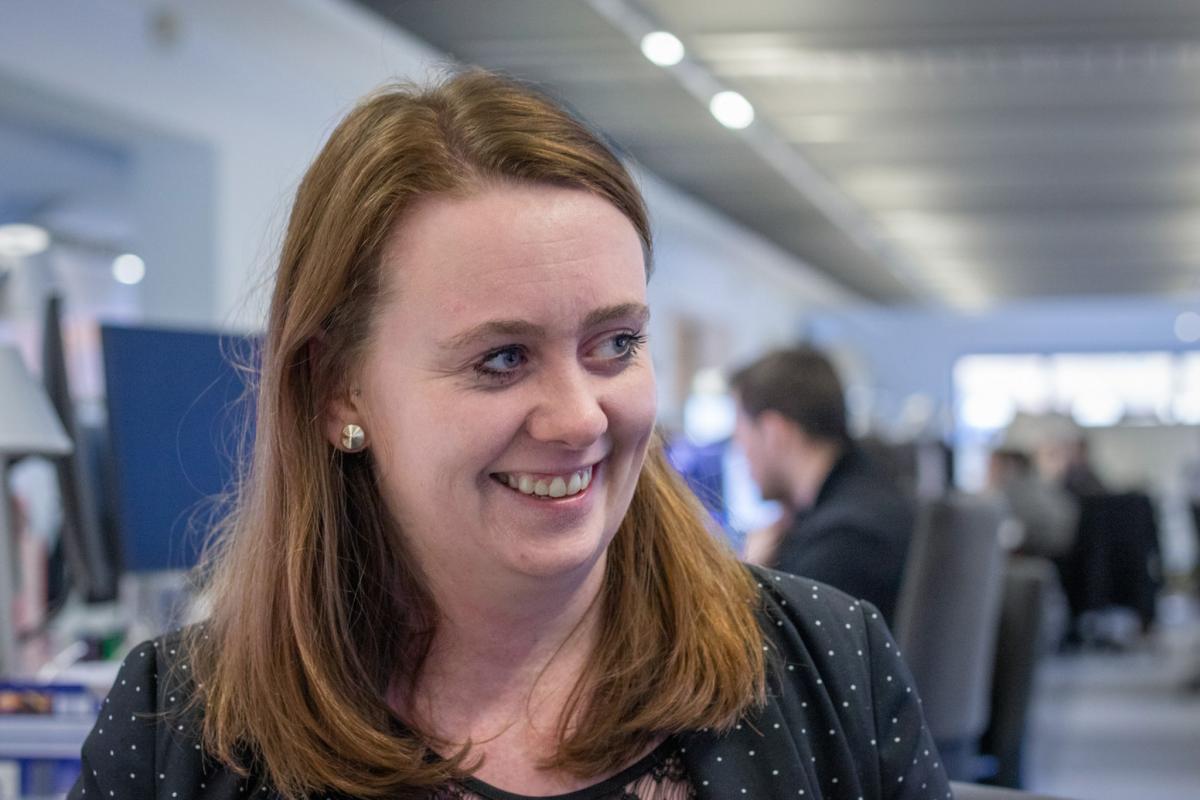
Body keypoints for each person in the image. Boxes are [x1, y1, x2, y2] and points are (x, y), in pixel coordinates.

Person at [69, 71, 948, 800]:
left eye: (616, 345)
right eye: (500, 359)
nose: (577, 418)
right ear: (339, 391)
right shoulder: (177, 728)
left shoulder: (826, 666)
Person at [730, 347, 915, 624]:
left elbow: (778, 653)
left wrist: (749, 580)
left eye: (741, 436)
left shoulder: (844, 542)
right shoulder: (867, 495)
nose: (740, 451)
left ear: (773, 432)